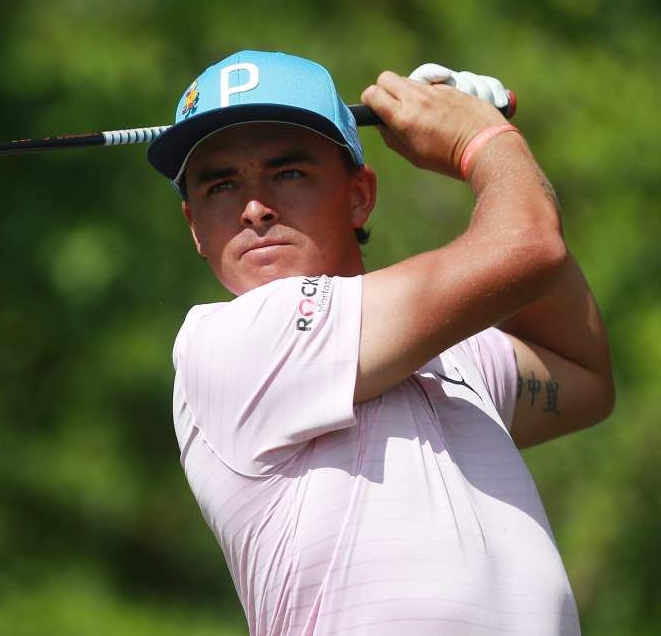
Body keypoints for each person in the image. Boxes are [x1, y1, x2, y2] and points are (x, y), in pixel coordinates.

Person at [146, 51, 614, 636]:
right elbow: (531, 246)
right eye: (221, 185)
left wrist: (497, 156)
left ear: (359, 195)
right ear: (194, 226)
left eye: (288, 173)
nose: (254, 209)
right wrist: (484, 142)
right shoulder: (226, 341)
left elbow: (583, 374)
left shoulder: (455, 353)